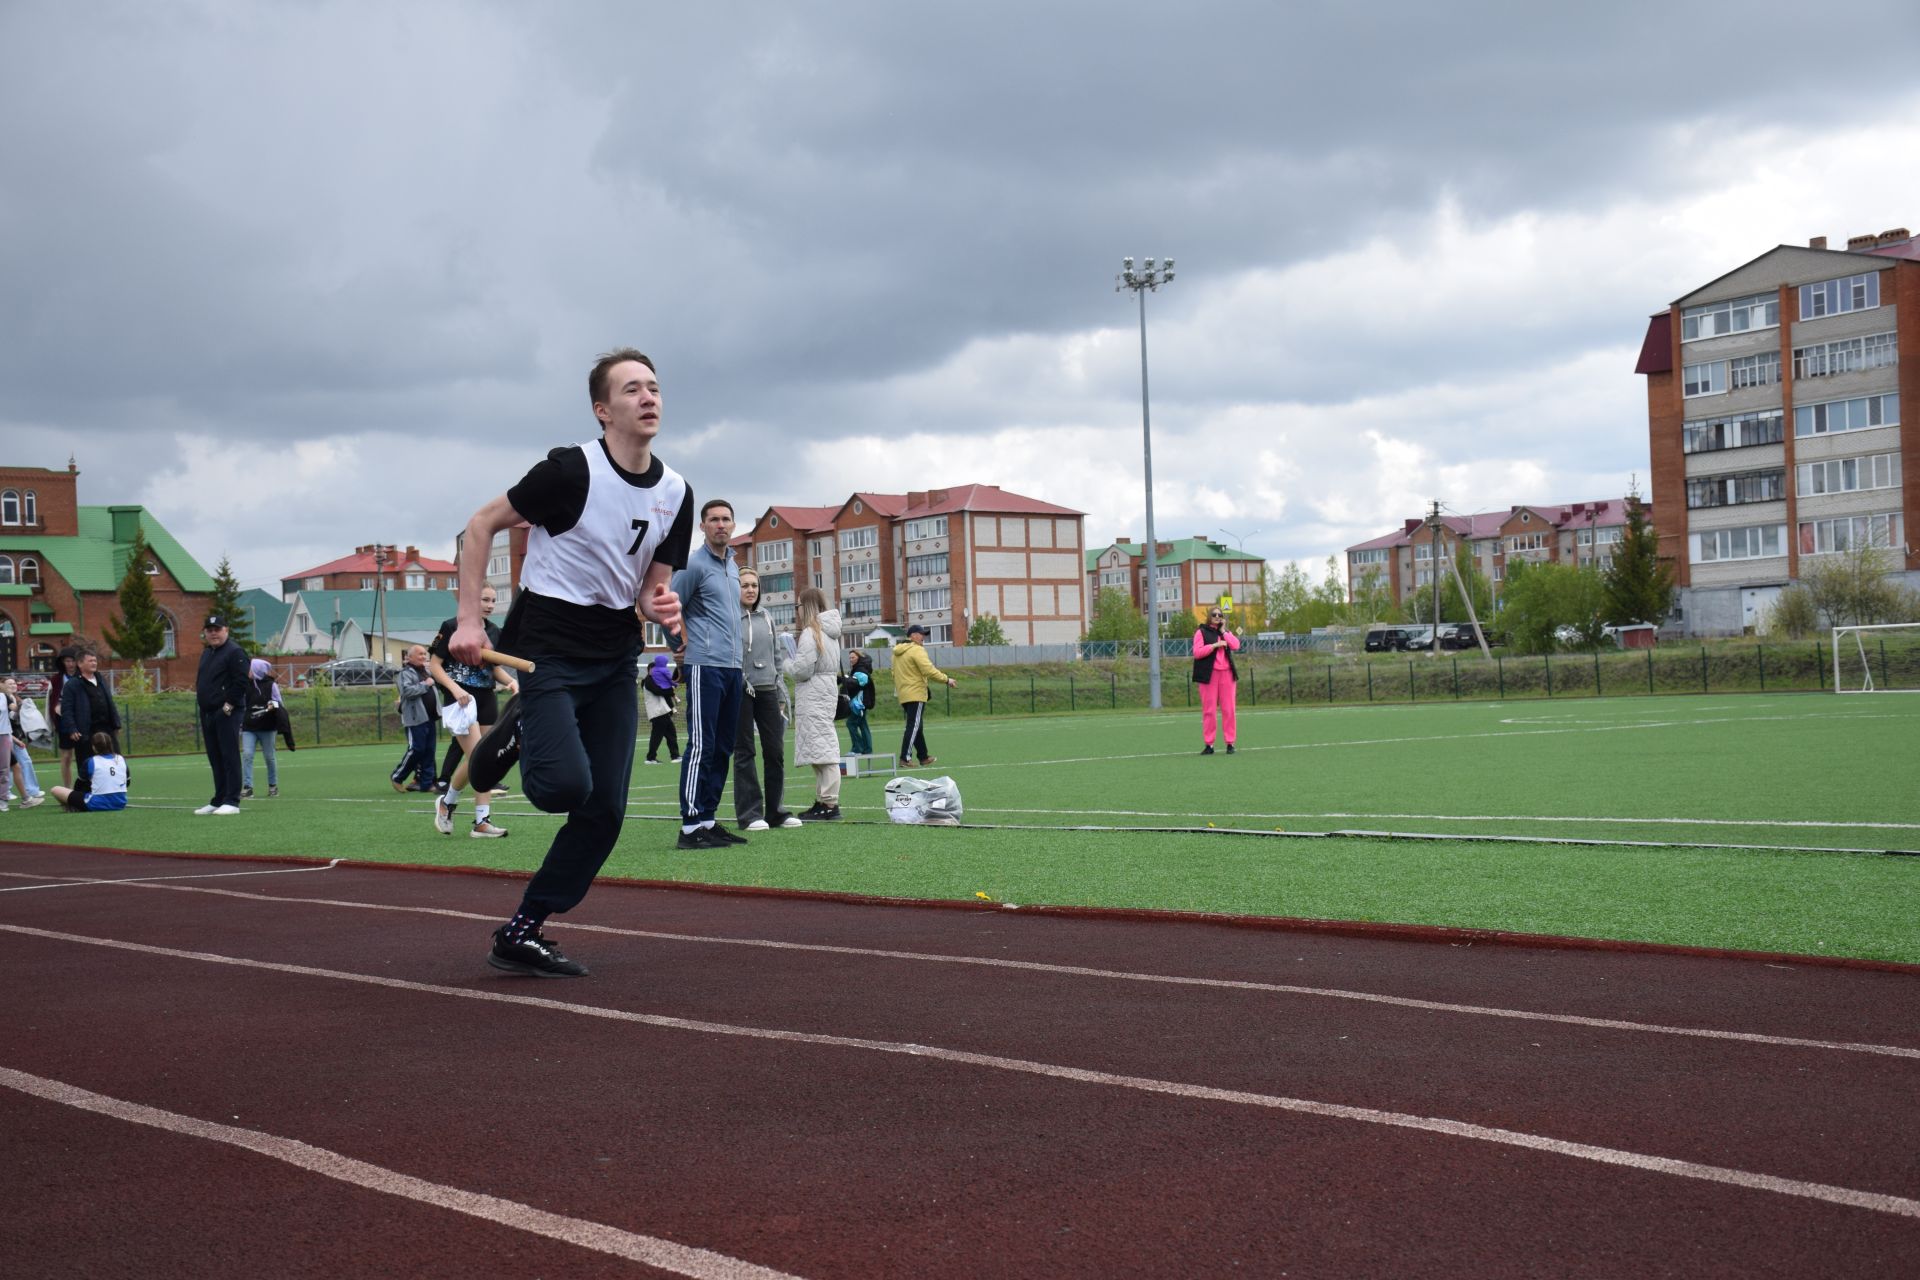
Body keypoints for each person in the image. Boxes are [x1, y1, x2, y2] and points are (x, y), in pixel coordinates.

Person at [448, 346, 689, 978]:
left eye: (655, 387)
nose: (649, 397)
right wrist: (471, 621)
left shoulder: (676, 492)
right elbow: (481, 524)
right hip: (546, 646)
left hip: (613, 651)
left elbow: (648, 588)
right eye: (633, 389)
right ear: (603, 410)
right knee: (562, 788)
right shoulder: (568, 471)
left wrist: (663, 605)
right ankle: (517, 731)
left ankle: (523, 929)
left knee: (605, 808)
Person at [671, 499, 746, 850]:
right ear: (702, 526)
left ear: (733, 525)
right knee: (702, 745)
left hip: (733, 668)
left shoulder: (733, 567)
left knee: (723, 748)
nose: (720, 524)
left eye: (726, 519)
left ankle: (708, 819)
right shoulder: (693, 565)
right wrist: (681, 645)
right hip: (704, 665)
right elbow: (670, 607)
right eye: (713, 519)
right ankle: (689, 827)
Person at [428, 585, 517, 796]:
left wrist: (511, 682)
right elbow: (434, 665)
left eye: (493, 601)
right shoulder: (451, 627)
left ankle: (455, 805)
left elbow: (493, 668)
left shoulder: (494, 631)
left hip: (486, 698)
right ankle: (477, 818)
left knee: (485, 758)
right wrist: (455, 689)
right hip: (461, 699)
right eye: (485, 600)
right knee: (480, 760)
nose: (490, 605)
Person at [732, 567, 799, 832]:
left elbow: (777, 657)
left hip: (768, 690)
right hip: (741, 691)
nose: (750, 590)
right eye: (745, 585)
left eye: (754, 586)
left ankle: (776, 811)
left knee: (775, 751)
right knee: (745, 751)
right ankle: (749, 814)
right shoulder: (730, 617)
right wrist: (741, 681)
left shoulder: (767, 617)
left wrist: (780, 690)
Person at [783, 587, 844, 820]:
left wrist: (787, 663)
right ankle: (823, 800)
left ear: (806, 607)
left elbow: (802, 670)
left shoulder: (811, 633)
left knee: (825, 750)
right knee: (820, 748)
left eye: (798, 606)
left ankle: (829, 803)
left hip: (813, 693)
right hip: (825, 692)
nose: (797, 611)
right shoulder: (829, 632)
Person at [193, 615, 249, 815]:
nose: (213, 633)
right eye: (209, 630)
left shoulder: (235, 652)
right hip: (207, 712)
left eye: (217, 629)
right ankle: (219, 799)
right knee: (215, 757)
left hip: (226, 712)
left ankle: (232, 801)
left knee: (229, 755)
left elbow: (241, 682)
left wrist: (228, 706)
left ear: (226, 630)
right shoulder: (207, 653)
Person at [892, 623, 956, 768]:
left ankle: (923, 756)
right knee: (913, 726)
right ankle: (905, 757)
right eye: (922, 634)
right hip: (915, 692)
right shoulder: (917, 650)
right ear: (913, 635)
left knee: (916, 725)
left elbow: (893, 673)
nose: (924, 637)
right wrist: (947, 679)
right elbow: (928, 670)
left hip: (904, 693)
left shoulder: (897, 652)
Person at [57, 650, 120, 778]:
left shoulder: (100, 679)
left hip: (106, 728)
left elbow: (110, 701)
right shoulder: (73, 684)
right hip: (85, 730)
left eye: (95, 660)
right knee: (87, 763)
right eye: (90, 660)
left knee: (115, 758)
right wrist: (72, 728)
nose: (94, 663)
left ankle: (114, 785)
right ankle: (86, 790)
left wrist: (116, 723)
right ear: (80, 664)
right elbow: (66, 709)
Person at [1192, 604, 1242, 755]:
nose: (1217, 617)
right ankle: (1209, 744)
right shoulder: (1201, 632)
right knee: (1209, 711)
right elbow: (1197, 652)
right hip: (1209, 676)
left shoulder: (1225, 632)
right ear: (1209, 617)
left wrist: (1223, 632)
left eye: (1220, 615)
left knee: (1229, 709)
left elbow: (1236, 645)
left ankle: (1230, 743)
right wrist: (1214, 645)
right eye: (1214, 615)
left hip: (1227, 675)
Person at [391, 644, 438, 793]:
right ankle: (397, 777)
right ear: (409, 657)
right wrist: (426, 684)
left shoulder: (427, 671)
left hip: (430, 717)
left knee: (429, 750)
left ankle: (426, 783)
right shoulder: (405, 673)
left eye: (425, 654)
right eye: (419, 654)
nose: (423, 657)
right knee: (416, 749)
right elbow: (407, 691)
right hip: (415, 718)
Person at [49, 732, 128, 812]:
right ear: (111, 744)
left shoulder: (91, 761)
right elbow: (127, 782)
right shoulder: (121, 759)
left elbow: (78, 786)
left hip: (96, 804)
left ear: (94, 747)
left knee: (55, 789)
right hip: (120, 803)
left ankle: (72, 808)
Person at [240, 658, 284, 799]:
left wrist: (272, 705)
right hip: (249, 727)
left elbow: (279, 704)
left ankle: (273, 786)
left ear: (257, 670)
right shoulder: (246, 685)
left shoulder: (271, 685)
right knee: (247, 755)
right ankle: (248, 787)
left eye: (251, 668)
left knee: (269, 757)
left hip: (267, 727)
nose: (248, 671)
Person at [2, 677, 47, 808]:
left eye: (14, 683)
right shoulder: (4, 698)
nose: (13, 685)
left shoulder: (15, 699)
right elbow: (10, 716)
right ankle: (7, 794)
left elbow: (16, 714)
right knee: (8, 767)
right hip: (7, 737)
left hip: (13, 737)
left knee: (19, 764)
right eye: (9, 683)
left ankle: (31, 791)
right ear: (2, 685)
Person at [641, 653, 680, 764]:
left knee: (670, 734)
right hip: (657, 712)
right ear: (649, 670)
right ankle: (651, 758)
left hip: (662, 712)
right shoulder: (648, 680)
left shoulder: (655, 680)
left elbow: (664, 694)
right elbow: (658, 691)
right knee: (657, 736)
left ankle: (674, 756)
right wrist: (670, 690)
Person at [49, 646, 79, 786]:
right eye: (67, 661)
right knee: (66, 756)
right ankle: (67, 790)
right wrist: (55, 709)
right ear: (62, 662)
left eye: (73, 661)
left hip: (82, 720)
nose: (71, 664)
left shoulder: (83, 677)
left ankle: (86, 787)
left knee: (84, 756)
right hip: (63, 721)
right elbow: (51, 699)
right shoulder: (56, 679)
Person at [841, 650, 876, 756]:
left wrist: (846, 680)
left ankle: (858, 748)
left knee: (851, 723)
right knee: (862, 724)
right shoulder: (858, 669)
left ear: (859, 658)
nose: (851, 660)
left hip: (859, 703)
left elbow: (860, 682)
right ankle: (867, 749)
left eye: (853, 657)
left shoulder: (860, 670)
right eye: (850, 658)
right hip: (861, 702)